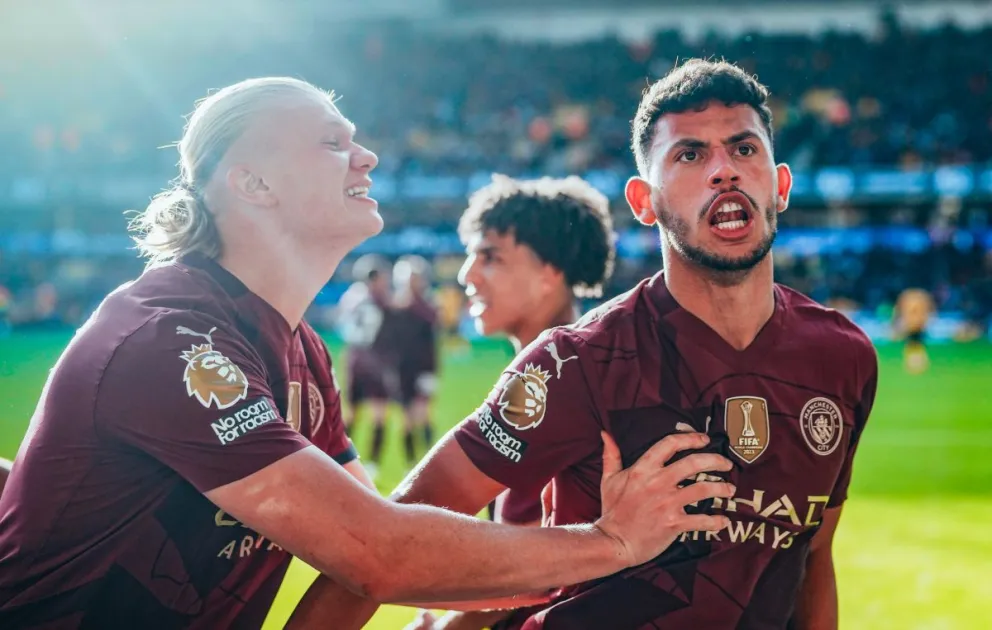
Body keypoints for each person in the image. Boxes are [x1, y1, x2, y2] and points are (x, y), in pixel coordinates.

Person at [0, 76, 734, 629]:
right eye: (331, 141)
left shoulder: (304, 358)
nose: (367, 155)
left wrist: (560, 575)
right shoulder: (171, 339)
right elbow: (377, 552)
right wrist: (612, 543)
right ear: (250, 182)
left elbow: (396, 550)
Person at [298, 59, 879, 629]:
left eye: (744, 148)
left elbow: (810, 557)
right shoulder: (578, 362)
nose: (723, 171)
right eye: (689, 155)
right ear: (642, 201)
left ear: (780, 185)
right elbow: (390, 539)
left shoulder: (842, 357)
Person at [408, 174, 617, 630]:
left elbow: (532, 575)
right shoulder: (588, 364)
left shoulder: (556, 383)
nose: (467, 274)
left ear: (550, 272)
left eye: (490, 256)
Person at [337, 253, 397, 475]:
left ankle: (339, 458)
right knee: (379, 413)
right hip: (375, 359)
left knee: (352, 412)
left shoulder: (350, 296)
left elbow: (342, 325)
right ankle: (372, 463)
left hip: (353, 356)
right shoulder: (378, 299)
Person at [391, 255, 440, 465]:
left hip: (424, 367)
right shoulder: (397, 306)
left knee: (424, 414)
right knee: (408, 418)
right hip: (402, 369)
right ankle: (410, 463)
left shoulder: (427, 305)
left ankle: (429, 459)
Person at [893, 286, 934, 374]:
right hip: (914, 326)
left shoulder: (910, 299)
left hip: (914, 326)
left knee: (915, 344)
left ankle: (916, 363)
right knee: (913, 344)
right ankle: (916, 363)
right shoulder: (918, 298)